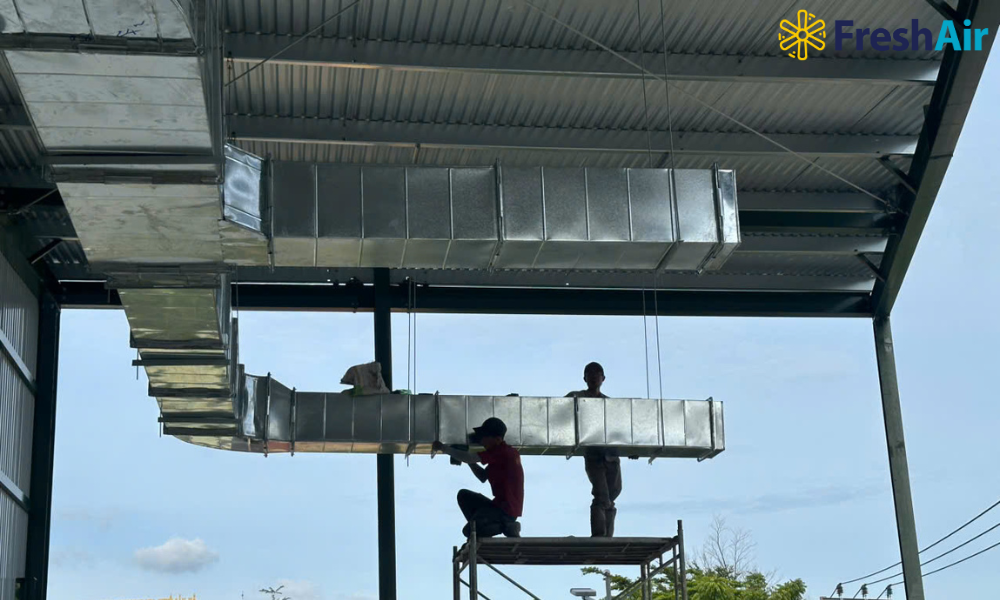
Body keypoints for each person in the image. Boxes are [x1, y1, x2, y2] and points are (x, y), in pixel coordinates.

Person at [432, 417, 523, 538]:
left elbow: (470, 457)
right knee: (464, 496)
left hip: (505, 512)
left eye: (485, 437)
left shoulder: (504, 452)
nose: (482, 440)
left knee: (469, 531)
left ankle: (506, 527)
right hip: (498, 507)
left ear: (497, 439)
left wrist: (444, 448)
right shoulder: (499, 456)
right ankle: (481, 527)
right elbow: (483, 476)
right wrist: (467, 461)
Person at [566, 362, 621, 537]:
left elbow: (620, 428)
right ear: (585, 378)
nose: (594, 376)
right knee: (601, 494)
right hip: (593, 455)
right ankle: (599, 535)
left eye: (597, 374)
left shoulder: (608, 403)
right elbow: (563, 405)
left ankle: (607, 535)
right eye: (590, 374)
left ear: (603, 378)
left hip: (610, 454)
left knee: (613, 493)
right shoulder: (579, 397)